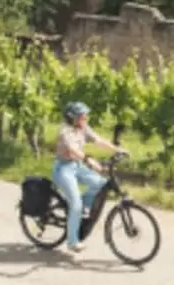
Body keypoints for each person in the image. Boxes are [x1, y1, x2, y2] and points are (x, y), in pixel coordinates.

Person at [53, 102, 129, 254]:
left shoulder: (83, 127)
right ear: (72, 118)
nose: (86, 118)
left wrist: (118, 149)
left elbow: (98, 141)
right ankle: (72, 241)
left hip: (77, 165)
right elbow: (73, 150)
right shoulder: (65, 131)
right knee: (76, 205)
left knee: (101, 184)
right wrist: (88, 160)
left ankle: (82, 206)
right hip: (64, 169)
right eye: (82, 116)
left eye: (85, 116)